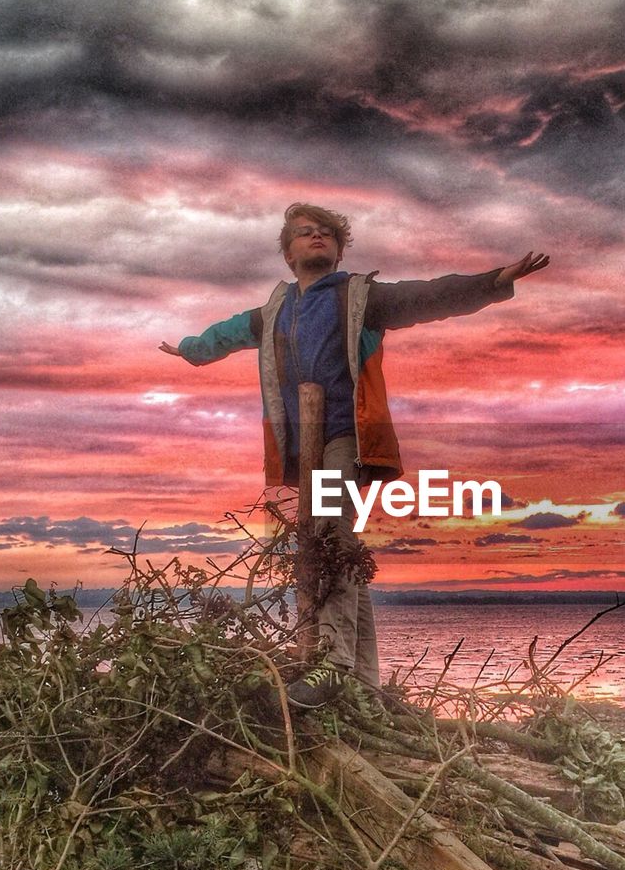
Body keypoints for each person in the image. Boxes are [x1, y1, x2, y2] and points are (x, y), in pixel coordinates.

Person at [160, 203, 549, 706]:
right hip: (302, 444)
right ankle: (363, 682)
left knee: (329, 539)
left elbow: (429, 295)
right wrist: (191, 349)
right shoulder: (274, 310)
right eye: (304, 233)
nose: (316, 237)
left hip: (346, 435)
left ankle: (333, 662)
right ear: (288, 252)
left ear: (340, 249)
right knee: (332, 543)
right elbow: (228, 333)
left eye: (326, 233)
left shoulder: (359, 297)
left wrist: (494, 281)